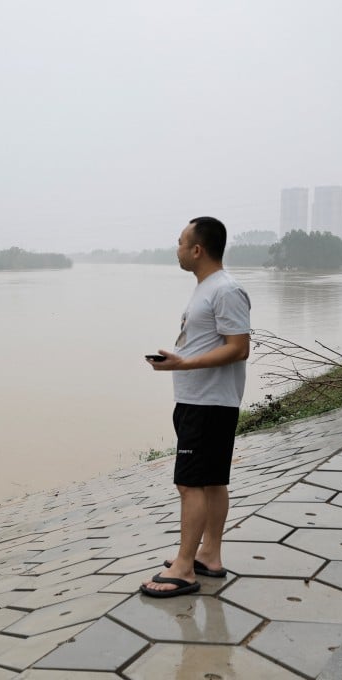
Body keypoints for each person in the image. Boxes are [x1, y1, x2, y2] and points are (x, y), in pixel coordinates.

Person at [140, 216, 251, 598]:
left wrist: (183, 363)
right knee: (212, 481)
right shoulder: (207, 289)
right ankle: (209, 556)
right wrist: (179, 357)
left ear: (197, 249)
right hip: (200, 400)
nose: (178, 248)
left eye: (181, 242)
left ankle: (185, 568)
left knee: (189, 484)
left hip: (207, 404)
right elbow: (208, 342)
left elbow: (239, 347)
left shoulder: (225, 290)